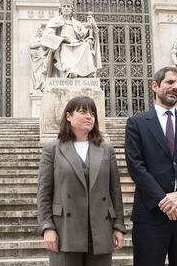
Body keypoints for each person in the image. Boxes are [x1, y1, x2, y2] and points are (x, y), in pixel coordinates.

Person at [125, 66, 177, 266]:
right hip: (151, 215)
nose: (175, 87)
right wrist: (164, 200)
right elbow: (136, 166)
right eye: (170, 82)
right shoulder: (136, 123)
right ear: (155, 85)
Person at [37, 96, 126, 266]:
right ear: (68, 116)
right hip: (65, 230)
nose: (89, 116)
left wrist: (118, 227)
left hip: (100, 229)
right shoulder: (52, 149)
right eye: (83, 111)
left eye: (92, 113)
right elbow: (44, 193)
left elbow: (115, 191)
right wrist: (47, 227)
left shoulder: (106, 150)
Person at [41, 0, 102, 78]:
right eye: (64, 6)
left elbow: (85, 35)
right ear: (61, 9)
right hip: (62, 44)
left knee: (85, 46)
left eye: (68, 6)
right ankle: (70, 71)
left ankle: (88, 71)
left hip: (76, 43)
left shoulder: (77, 23)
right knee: (64, 48)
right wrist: (61, 39)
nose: (66, 8)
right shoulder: (54, 21)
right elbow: (48, 36)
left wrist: (92, 32)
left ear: (72, 9)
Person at [29, 26, 48, 92]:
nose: (39, 32)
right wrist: (40, 43)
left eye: (41, 31)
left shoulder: (45, 39)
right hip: (37, 59)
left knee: (43, 72)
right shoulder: (34, 39)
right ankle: (38, 86)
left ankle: (43, 86)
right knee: (38, 73)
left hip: (44, 58)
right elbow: (31, 46)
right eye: (38, 31)